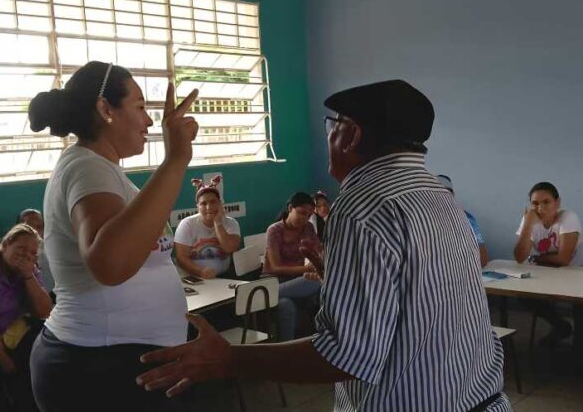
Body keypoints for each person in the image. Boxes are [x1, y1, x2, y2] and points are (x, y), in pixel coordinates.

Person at [137, 80, 510, 411]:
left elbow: (345, 356)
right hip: (479, 397)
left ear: (353, 136)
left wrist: (228, 359)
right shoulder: (438, 194)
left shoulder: (362, 203)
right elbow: (417, 295)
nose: (328, 136)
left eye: (333, 126)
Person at [27, 61, 199, 412]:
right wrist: (177, 158)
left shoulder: (100, 169)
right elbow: (111, 263)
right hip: (97, 368)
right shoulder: (87, 167)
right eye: (139, 107)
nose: (150, 121)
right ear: (105, 109)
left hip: (111, 361)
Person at [0, 224, 52, 412]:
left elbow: (45, 312)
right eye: (20, 248)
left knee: (41, 342)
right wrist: (2, 357)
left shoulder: (29, 270)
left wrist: (29, 276)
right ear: (6, 244)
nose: (25, 256)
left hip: (7, 338)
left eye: (31, 253)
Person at [513, 181, 582, 347]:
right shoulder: (530, 219)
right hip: (550, 273)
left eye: (546, 202)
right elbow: (520, 256)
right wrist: (528, 224)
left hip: (577, 273)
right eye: (535, 203)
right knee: (525, 297)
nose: (540, 208)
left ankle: (578, 351)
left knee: (580, 306)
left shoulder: (568, 217)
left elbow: (564, 259)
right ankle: (561, 326)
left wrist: (538, 258)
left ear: (557, 203)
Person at [264, 192, 321, 340]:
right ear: (290, 208)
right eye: (301, 213)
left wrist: (319, 261)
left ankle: (318, 341)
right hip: (274, 280)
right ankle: (286, 348)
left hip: (296, 281)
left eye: (308, 215)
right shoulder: (275, 230)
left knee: (323, 284)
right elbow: (275, 267)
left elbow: (316, 252)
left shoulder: (308, 228)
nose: (305, 218)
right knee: (286, 305)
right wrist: (306, 269)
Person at [174, 176, 241, 279]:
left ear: (220, 203)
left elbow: (229, 248)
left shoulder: (231, 223)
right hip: (195, 278)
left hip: (225, 278)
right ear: (197, 206)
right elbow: (181, 258)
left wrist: (218, 223)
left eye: (213, 202)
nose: (208, 207)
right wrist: (200, 272)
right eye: (203, 203)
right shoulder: (187, 224)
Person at [436, 175, 489, 266]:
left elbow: (482, 259)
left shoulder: (467, 218)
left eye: (447, 192)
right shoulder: (418, 220)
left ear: (453, 194)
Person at [16, 209, 54, 295]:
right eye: (29, 227)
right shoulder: (9, 253)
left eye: (39, 227)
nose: (35, 231)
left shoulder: (53, 251)